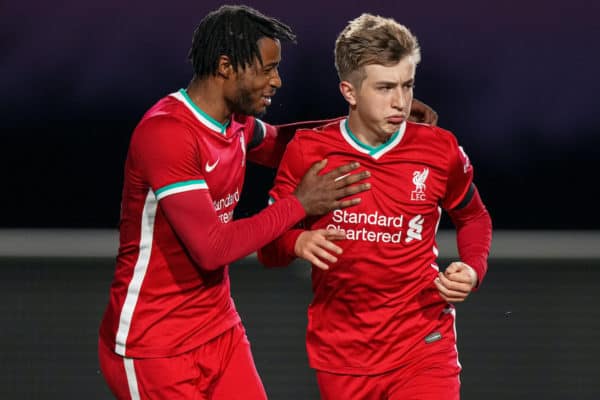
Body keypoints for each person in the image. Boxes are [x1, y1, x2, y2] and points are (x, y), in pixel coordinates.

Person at [96, 5, 376, 400]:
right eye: (267, 68)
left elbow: (284, 143)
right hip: (153, 347)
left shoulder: (236, 124)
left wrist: (370, 120)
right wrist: (299, 204)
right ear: (227, 66)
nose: (277, 80)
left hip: (218, 330)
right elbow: (213, 249)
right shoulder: (168, 133)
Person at [258, 13, 492, 400]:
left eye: (407, 85)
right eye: (384, 88)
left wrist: (473, 267)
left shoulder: (440, 149)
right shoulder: (308, 152)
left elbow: (473, 216)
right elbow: (268, 248)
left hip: (424, 343)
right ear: (349, 91)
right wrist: (297, 243)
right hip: (342, 354)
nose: (400, 102)